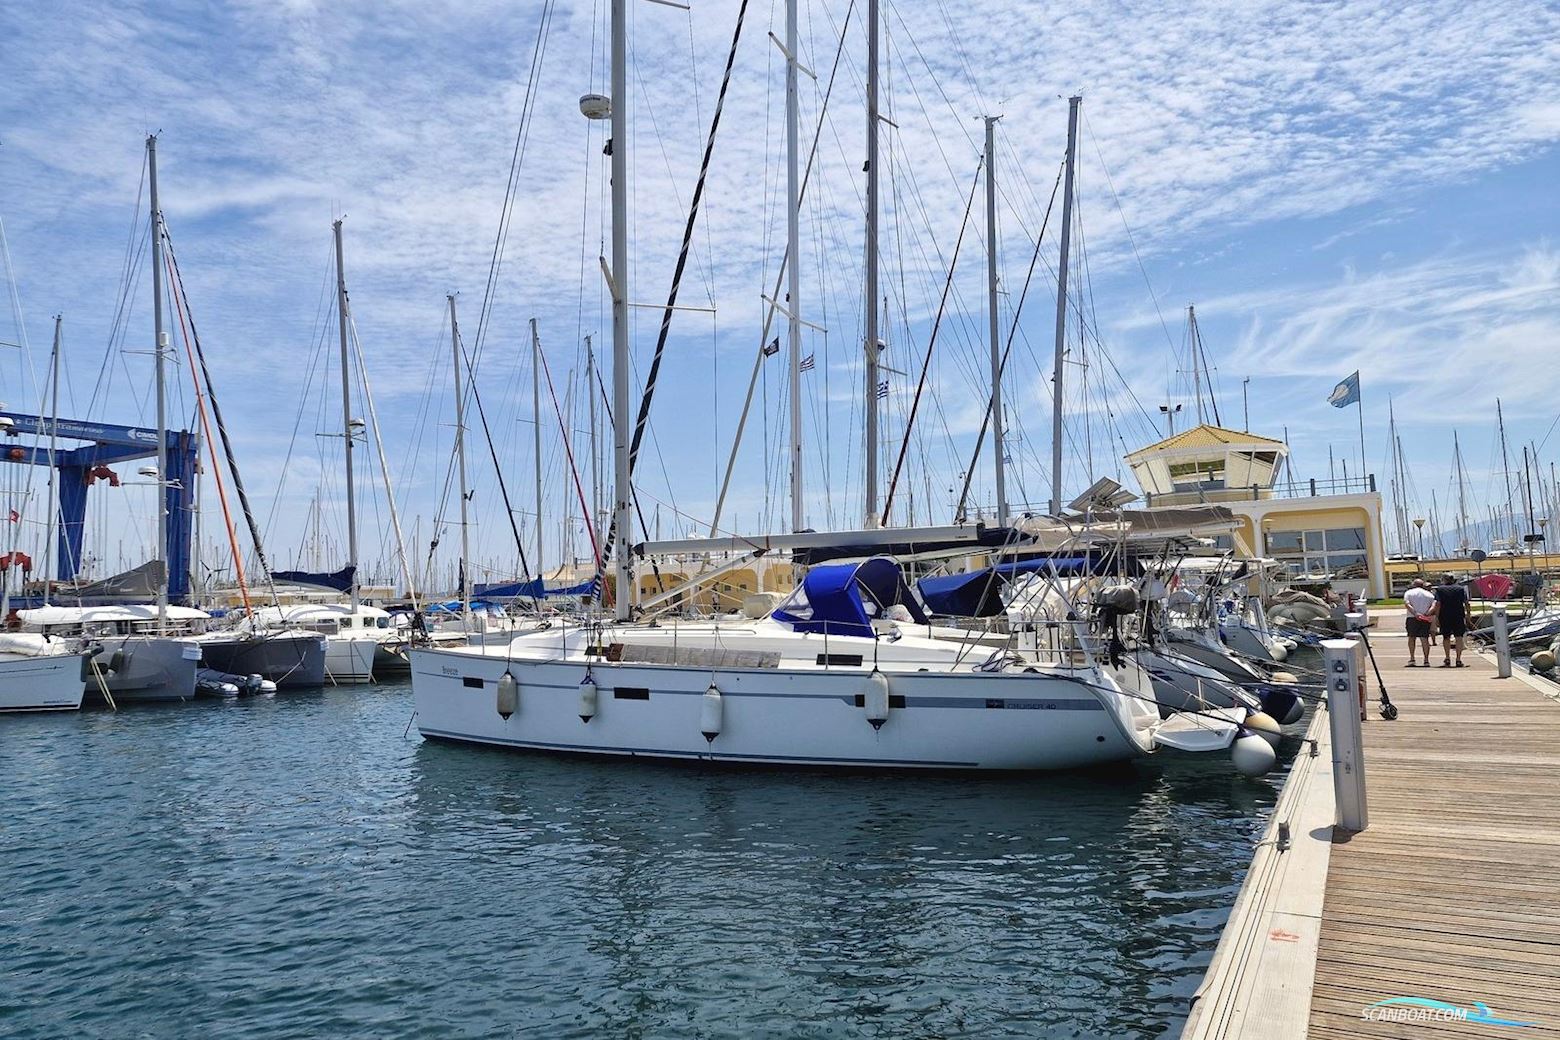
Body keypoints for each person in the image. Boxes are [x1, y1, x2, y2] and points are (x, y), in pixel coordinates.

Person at [1431, 574, 1472, 667]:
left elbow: (1438, 604)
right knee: (1459, 637)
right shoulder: (1461, 589)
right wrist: (1468, 614)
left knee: (1446, 637)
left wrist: (1436, 617)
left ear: (1444, 580)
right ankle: (1458, 659)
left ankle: (1447, 657)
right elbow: (1466, 603)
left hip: (1444, 616)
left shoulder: (1439, 590)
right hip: (1458, 615)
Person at [1403, 578, 1436, 667]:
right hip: (1425, 618)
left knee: (1411, 638)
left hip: (1412, 617)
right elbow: (1433, 606)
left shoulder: (1408, 593)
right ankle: (1426, 660)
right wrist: (1426, 614)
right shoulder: (1429, 594)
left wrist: (1415, 613)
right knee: (1424, 639)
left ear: (1414, 584)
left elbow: (1407, 604)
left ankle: (1412, 658)